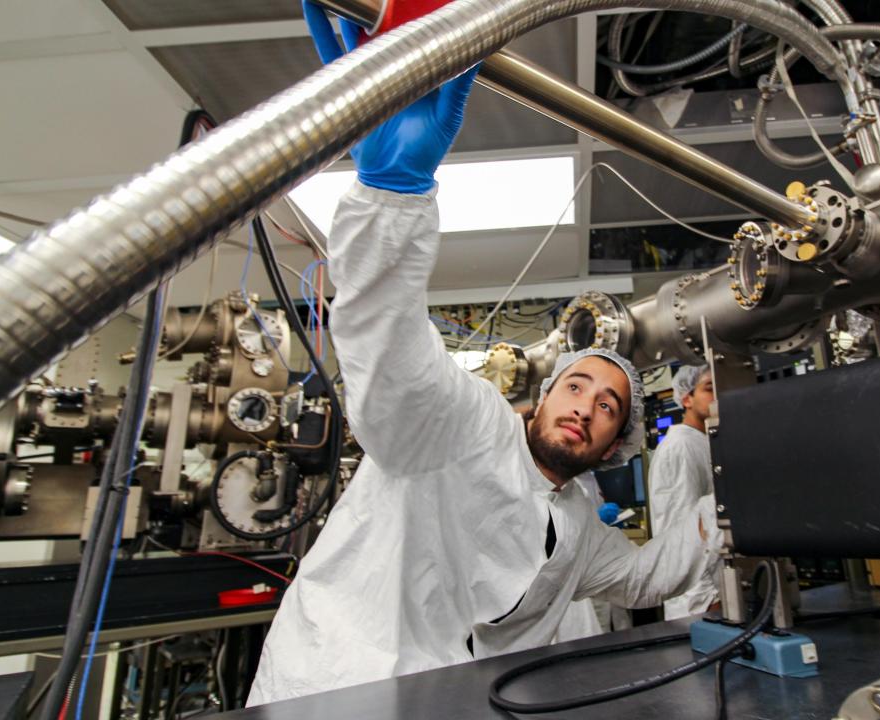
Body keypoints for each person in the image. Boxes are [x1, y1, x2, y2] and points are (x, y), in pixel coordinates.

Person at [246, 7, 719, 705]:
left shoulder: (581, 528)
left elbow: (650, 578)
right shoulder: (466, 427)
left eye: (608, 406)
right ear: (542, 396)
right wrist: (391, 197)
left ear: (617, 441)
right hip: (337, 688)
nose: (586, 408)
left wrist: (734, 508)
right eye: (578, 386)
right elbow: (389, 345)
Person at [649, 365, 721, 620]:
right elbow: (681, 531)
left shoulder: (704, 441)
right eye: (710, 388)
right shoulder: (680, 446)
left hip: (721, 590)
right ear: (686, 398)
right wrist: (706, 598)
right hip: (700, 603)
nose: (719, 395)